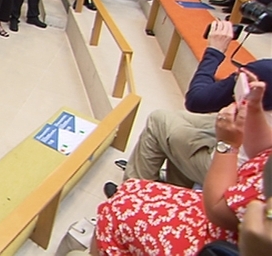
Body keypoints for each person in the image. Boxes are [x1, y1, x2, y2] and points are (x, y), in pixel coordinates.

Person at [94, 73, 272, 255]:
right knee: (131, 190)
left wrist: (226, 145)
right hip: (222, 200)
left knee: (114, 212)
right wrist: (254, 110)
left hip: (217, 236)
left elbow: (218, 210)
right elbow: (264, 151)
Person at [114, 20, 272, 191]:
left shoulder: (265, 72)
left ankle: (130, 196)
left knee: (158, 120)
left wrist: (214, 51)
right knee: (181, 122)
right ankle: (174, 191)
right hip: (262, 164)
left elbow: (197, 100)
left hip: (238, 170)